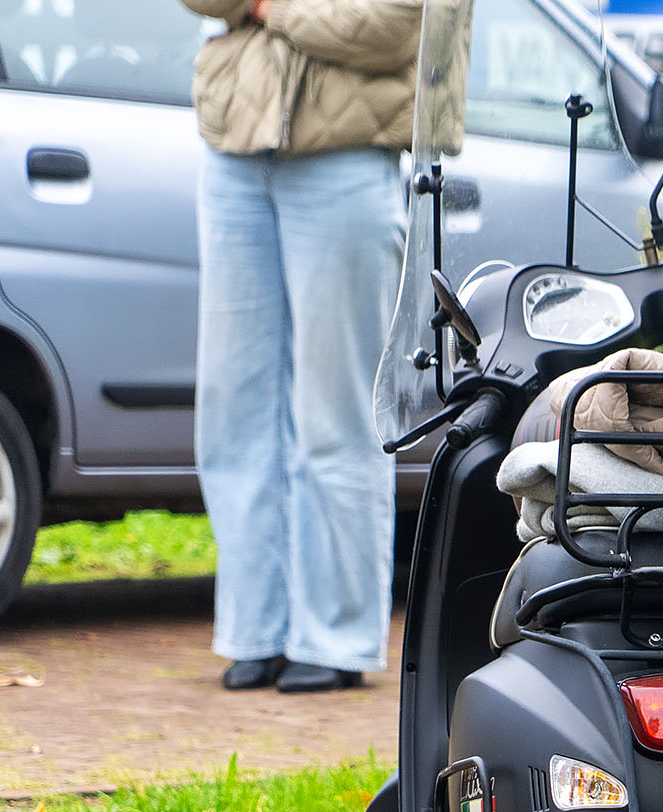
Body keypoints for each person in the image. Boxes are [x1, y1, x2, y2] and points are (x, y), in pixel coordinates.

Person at [181, 0, 420, 693]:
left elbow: (389, 26)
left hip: (345, 158)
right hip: (233, 152)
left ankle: (334, 636)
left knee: (333, 408)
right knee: (234, 408)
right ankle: (254, 630)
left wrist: (261, 7)